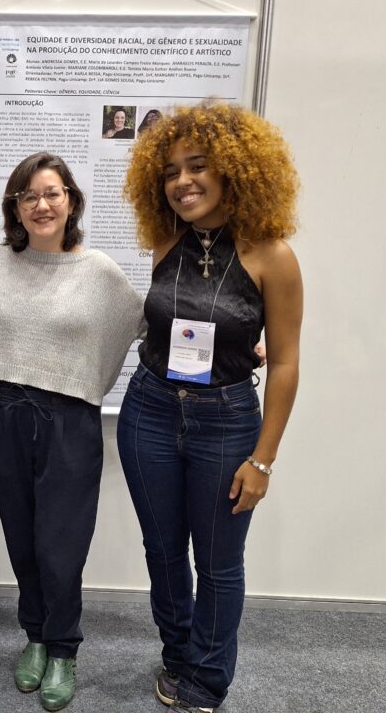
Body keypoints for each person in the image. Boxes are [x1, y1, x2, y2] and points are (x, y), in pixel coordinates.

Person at [117, 102, 303, 713]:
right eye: (170, 171)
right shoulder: (166, 239)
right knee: (163, 552)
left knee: (219, 564)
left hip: (225, 423)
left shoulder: (272, 255)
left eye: (198, 167)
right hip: (147, 410)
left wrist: (264, 460)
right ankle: (178, 654)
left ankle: (208, 676)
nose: (182, 181)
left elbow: (285, 362)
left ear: (234, 171)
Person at [0, 153, 144, 712]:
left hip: (69, 421)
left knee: (61, 545)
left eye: (51, 193)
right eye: (28, 196)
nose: (41, 205)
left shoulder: (98, 271)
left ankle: (64, 648)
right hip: (1, 413)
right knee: (22, 537)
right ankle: (34, 635)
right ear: (15, 208)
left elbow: (153, 322)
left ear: (70, 200)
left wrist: (237, 347)